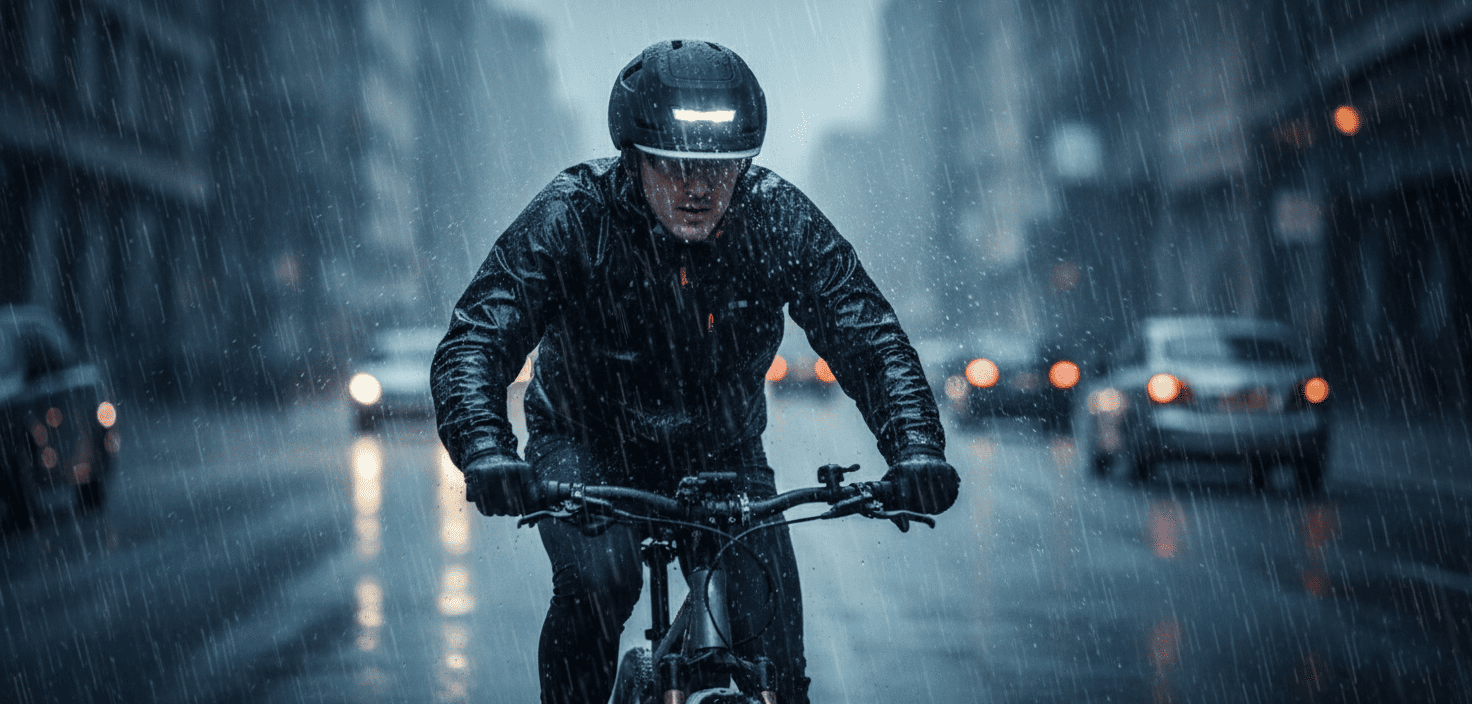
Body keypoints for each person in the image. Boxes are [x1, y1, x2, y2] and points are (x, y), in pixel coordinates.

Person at [431, 39, 959, 704]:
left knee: (772, 640)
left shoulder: (777, 217)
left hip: (724, 455)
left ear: (745, 163)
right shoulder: (575, 213)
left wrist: (916, 447)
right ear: (634, 158)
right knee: (600, 582)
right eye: (675, 165)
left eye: (719, 166)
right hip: (585, 445)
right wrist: (485, 449)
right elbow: (478, 336)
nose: (699, 187)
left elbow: (867, 335)